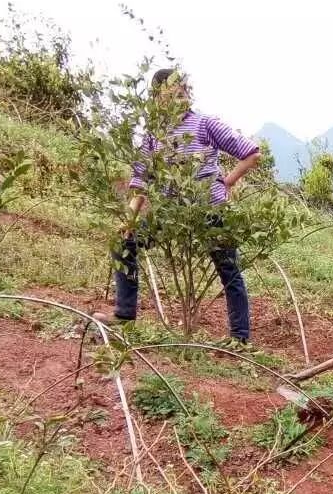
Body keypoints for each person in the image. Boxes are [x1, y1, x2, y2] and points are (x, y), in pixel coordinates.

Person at [94, 68, 261, 343]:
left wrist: (226, 182)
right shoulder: (154, 134)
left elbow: (251, 153)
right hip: (171, 216)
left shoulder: (205, 124)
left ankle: (239, 338)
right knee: (124, 243)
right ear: (157, 97)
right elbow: (141, 179)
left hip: (209, 213)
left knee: (229, 271)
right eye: (172, 90)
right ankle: (124, 316)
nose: (180, 94)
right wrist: (130, 219)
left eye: (183, 89)